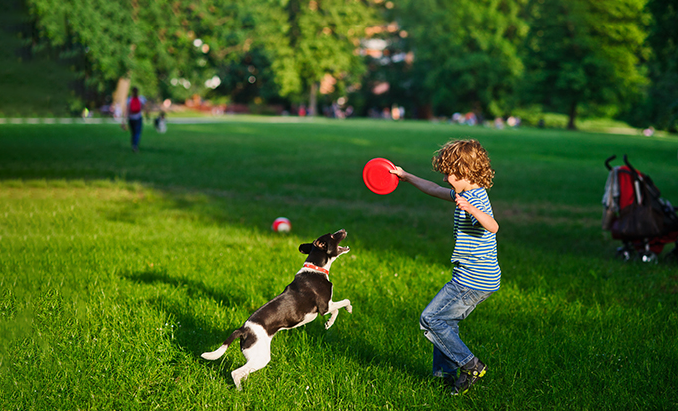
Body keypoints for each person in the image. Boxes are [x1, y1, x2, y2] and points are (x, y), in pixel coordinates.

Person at [389, 139, 500, 395]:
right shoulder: (464, 193)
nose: (447, 178)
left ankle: (471, 365)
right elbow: (433, 189)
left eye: (452, 173)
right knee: (446, 322)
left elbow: (493, 226)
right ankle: (445, 376)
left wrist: (471, 208)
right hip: (477, 277)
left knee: (431, 318)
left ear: (468, 173)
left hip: (473, 280)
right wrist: (406, 176)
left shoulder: (476, 200)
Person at [126, 87, 147, 152]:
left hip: (131, 118)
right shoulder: (141, 98)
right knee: (137, 132)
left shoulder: (129, 99)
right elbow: (145, 107)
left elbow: (127, 110)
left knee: (133, 132)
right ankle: (135, 145)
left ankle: (133, 144)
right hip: (138, 118)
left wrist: (125, 119)